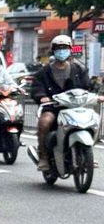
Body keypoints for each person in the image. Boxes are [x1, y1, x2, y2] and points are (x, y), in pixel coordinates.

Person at [31, 35, 91, 171]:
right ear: (53, 50)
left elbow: (87, 86)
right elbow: (36, 88)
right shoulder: (44, 72)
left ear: (70, 50)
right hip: (53, 107)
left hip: (74, 107)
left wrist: (95, 96)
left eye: (65, 48)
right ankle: (44, 156)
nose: (62, 51)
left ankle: (87, 153)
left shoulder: (79, 69)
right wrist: (42, 97)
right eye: (59, 48)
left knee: (92, 120)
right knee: (45, 122)